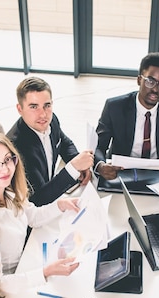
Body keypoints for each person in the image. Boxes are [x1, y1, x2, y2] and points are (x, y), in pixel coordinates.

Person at [0, 129, 80, 297]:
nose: (5, 169)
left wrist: (61, 205)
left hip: (26, 266)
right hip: (10, 292)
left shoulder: (5, 189)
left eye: (8, 159)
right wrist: (44, 273)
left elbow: (33, 217)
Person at [94, 52, 159, 180]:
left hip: (158, 173)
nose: (156, 90)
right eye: (150, 81)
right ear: (139, 80)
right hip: (120, 172)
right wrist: (101, 165)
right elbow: (98, 146)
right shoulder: (115, 107)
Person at [7, 76, 94, 206]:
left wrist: (79, 164)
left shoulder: (51, 120)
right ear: (20, 109)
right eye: (34, 107)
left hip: (52, 196)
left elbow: (64, 142)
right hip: (29, 214)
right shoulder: (16, 148)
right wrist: (74, 167)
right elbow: (39, 199)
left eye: (47, 105)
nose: (43, 115)